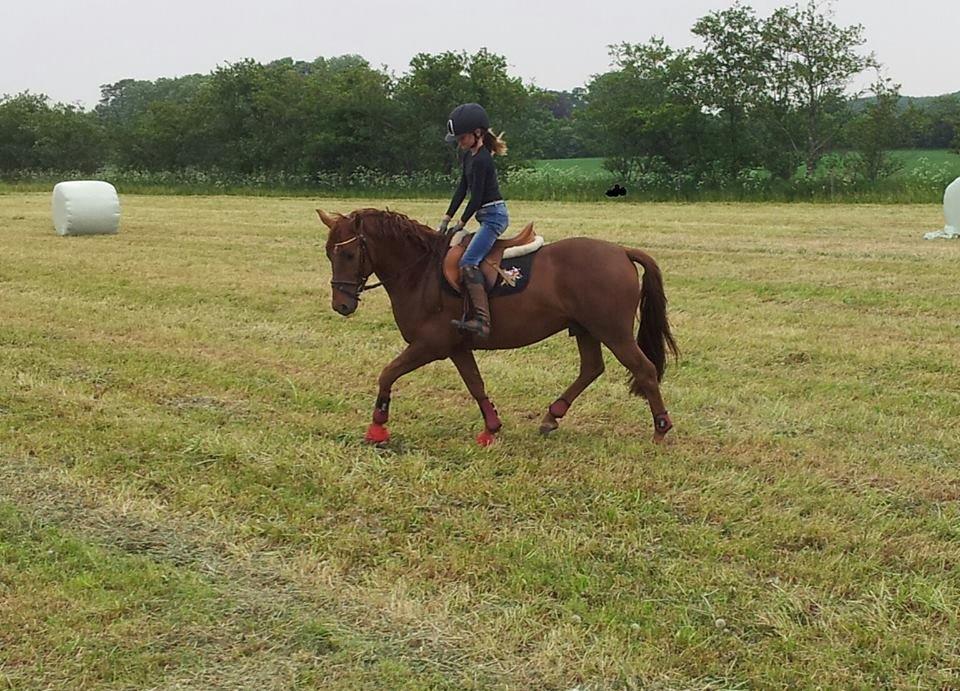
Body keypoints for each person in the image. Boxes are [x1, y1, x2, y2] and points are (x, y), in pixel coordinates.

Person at [438, 103, 509, 339]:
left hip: (493, 218)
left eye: (462, 138)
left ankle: (482, 321)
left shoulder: (482, 160)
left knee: (468, 261)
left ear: (477, 133)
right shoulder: (470, 156)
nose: (459, 143)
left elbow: (477, 197)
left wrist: (461, 222)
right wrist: (446, 218)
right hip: (484, 216)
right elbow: (462, 189)